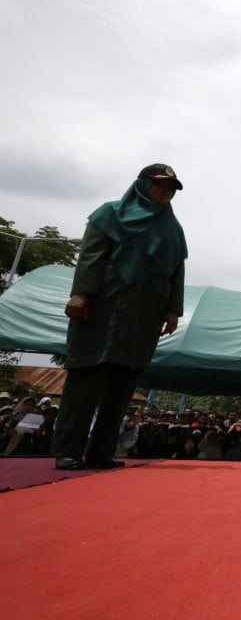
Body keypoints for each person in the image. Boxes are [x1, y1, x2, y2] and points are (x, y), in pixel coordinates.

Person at [51, 164, 186, 471]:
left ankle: (101, 452)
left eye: (170, 188)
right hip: (104, 307)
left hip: (144, 315)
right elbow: (91, 256)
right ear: (142, 184)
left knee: (123, 386)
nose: (165, 192)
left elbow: (176, 271)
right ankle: (68, 451)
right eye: (159, 185)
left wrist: (172, 310)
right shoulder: (110, 214)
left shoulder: (172, 228)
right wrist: (81, 292)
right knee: (86, 378)